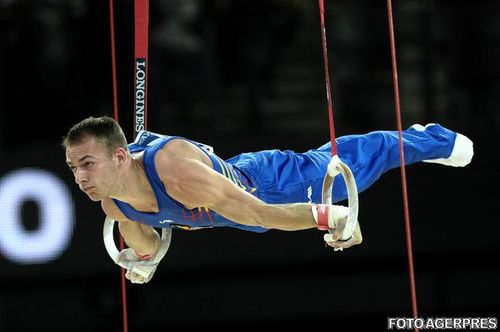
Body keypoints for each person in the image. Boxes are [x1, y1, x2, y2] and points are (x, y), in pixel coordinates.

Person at [63, 116, 473, 283]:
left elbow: (260, 212)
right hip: (234, 206)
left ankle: (431, 137)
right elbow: (152, 243)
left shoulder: (176, 173)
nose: (80, 178)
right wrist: (142, 261)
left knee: (355, 162)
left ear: (120, 156)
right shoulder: (113, 204)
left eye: (86, 163)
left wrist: (326, 214)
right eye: (73, 168)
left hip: (267, 185)